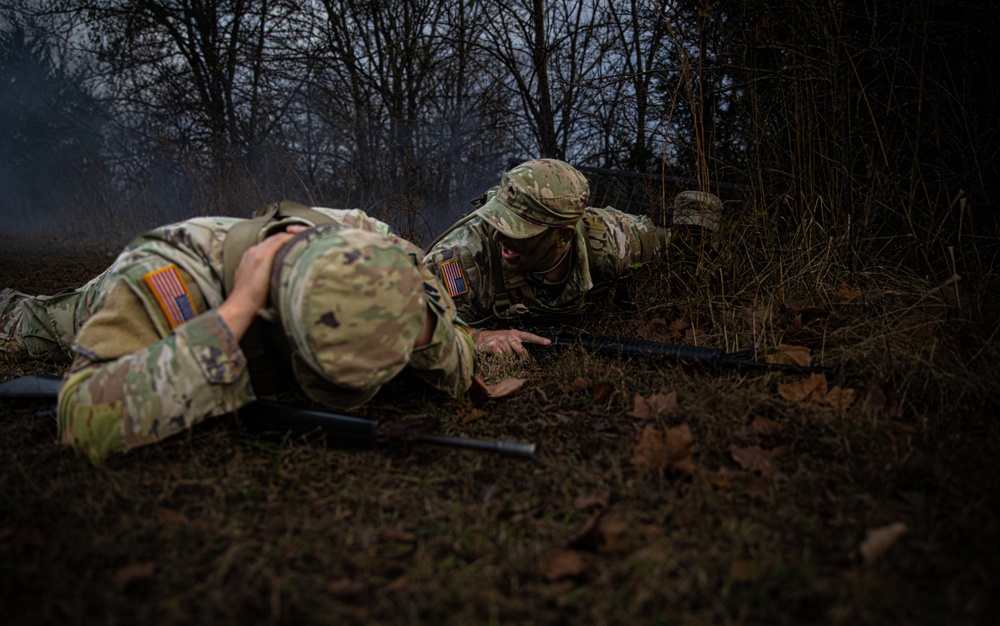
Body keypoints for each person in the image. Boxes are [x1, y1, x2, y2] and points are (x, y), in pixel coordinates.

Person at [1, 202, 475, 462]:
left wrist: (426, 328)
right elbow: (84, 419)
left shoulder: (371, 245)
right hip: (134, 296)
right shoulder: (169, 280)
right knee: (34, 325)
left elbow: (451, 347)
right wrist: (235, 312)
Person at [423, 159, 722, 357]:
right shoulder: (464, 256)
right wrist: (476, 337)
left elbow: (683, 246)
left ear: (564, 236)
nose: (499, 236)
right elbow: (407, 318)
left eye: (519, 230)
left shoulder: (611, 242)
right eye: (497, 222)